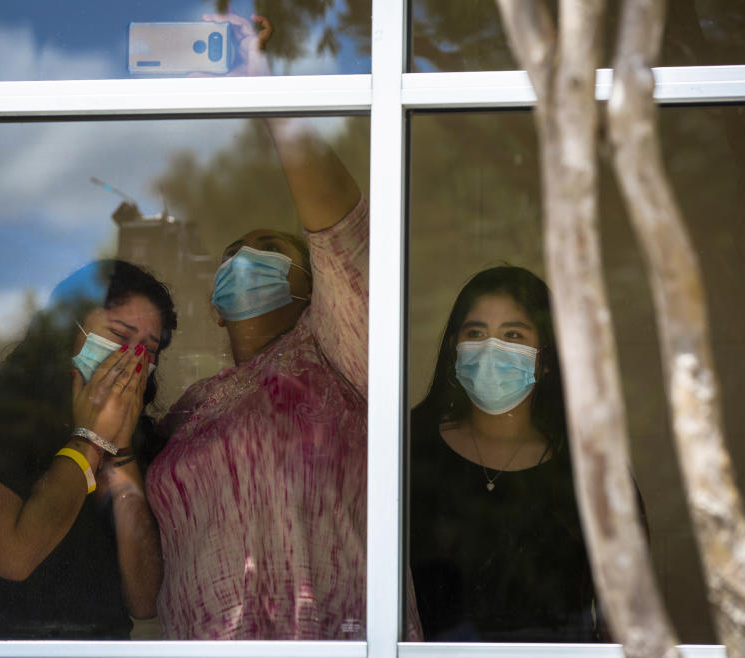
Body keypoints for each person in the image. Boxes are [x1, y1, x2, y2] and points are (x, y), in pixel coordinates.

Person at [144, 13, 421, 640]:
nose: (244, 261)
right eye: (232, 255)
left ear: (313, 285)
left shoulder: (336, 357)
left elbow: (346, 236)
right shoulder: (187, 411)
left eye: (267, 249)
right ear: (215, 303)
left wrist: (273, 99)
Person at [0, 260, 176, 639]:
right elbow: (13, 554)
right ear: (63, 328)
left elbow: (144, 599)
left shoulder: (132, 444)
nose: (131, 360)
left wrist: (118, 450)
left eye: (146, 351)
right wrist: (89, 439)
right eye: (120, 336)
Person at [409, 265, 602, 642]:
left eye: (512, 334)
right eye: (476, 333)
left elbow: (624, 607)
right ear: (454, 348)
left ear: (545, 358)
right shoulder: (407, 449)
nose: (491, 349)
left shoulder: (586, 469)